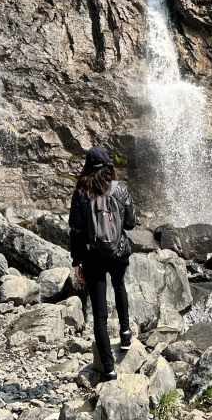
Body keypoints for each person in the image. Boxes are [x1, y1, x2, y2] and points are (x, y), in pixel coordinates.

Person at [68, 146, 136, 381]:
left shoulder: (81, 193)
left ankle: (108, 368)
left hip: (92, 256)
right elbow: (130, 223)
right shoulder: (120, 189)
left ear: (87, 167)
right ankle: (125, 334)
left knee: (99, 315)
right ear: (108, 166)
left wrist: (77, 261)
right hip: (118, 252)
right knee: (119, 287)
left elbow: (76, 230)